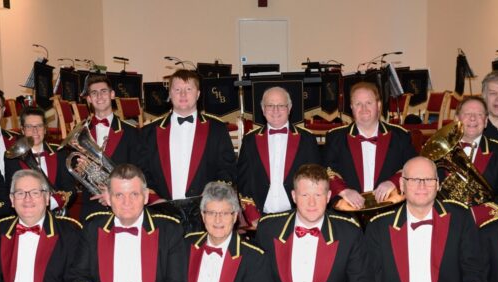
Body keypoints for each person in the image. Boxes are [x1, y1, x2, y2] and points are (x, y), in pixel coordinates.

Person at [139, 69, 235, 203]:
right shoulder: (149, 132)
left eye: (189, 89)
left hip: (205, 209)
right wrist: (154, 199)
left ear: (198, 94)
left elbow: (227, 169)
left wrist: (211, 195)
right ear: (170, 94)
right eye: (177, 89)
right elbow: (142, 172)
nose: (183, 94)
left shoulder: (217, 129)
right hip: (161, 209)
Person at [324, 82, 417, 210]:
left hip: (390, 209)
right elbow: (325, 170)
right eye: (358, 104)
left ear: (378, 105)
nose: (364, 108)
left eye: (369, 103)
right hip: (349, 210)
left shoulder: (400, 136)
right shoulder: (336, 138)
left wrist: (393, 182)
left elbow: (414, 166)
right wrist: (344, 191)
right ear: (351, 107)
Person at [237, 86, 322, 227]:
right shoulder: (249, 140)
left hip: (298, 219)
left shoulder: (307, 139)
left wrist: (307, 217)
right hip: (259, 220)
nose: (275, 110)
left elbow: (316, 182)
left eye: (281, 105)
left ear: (289, 108)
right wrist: (253, 217)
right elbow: (243, 182)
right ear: (263, 109)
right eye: (270, 105)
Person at [74, 74, 143, 216]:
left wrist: (113, 193)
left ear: (112, 95)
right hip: (91, 204)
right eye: (94, 93)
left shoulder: (131, 132)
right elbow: (73, 171)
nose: (99, 96)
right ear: (89, 99)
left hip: (123, 204)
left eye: (104, 91)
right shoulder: (79, 133)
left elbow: (137, 170)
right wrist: (79, 170)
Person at [452, 96, 498, 223]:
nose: (472, 118)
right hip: (448, 223)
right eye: (467, 113)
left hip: (486, 225)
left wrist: (477, 216)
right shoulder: (441, 151)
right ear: (456, 119)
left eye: (479, 114)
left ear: (486, 121)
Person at [3, 106, 73, 213]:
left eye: (39, 126)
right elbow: (11, 191)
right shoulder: (12, 156)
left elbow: (70, 189)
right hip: (25, 213)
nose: (35, 131)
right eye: (29, 127)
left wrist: (50, 203)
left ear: (45, 129)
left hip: (56, 214)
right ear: (22, 130)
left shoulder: (60, 153)